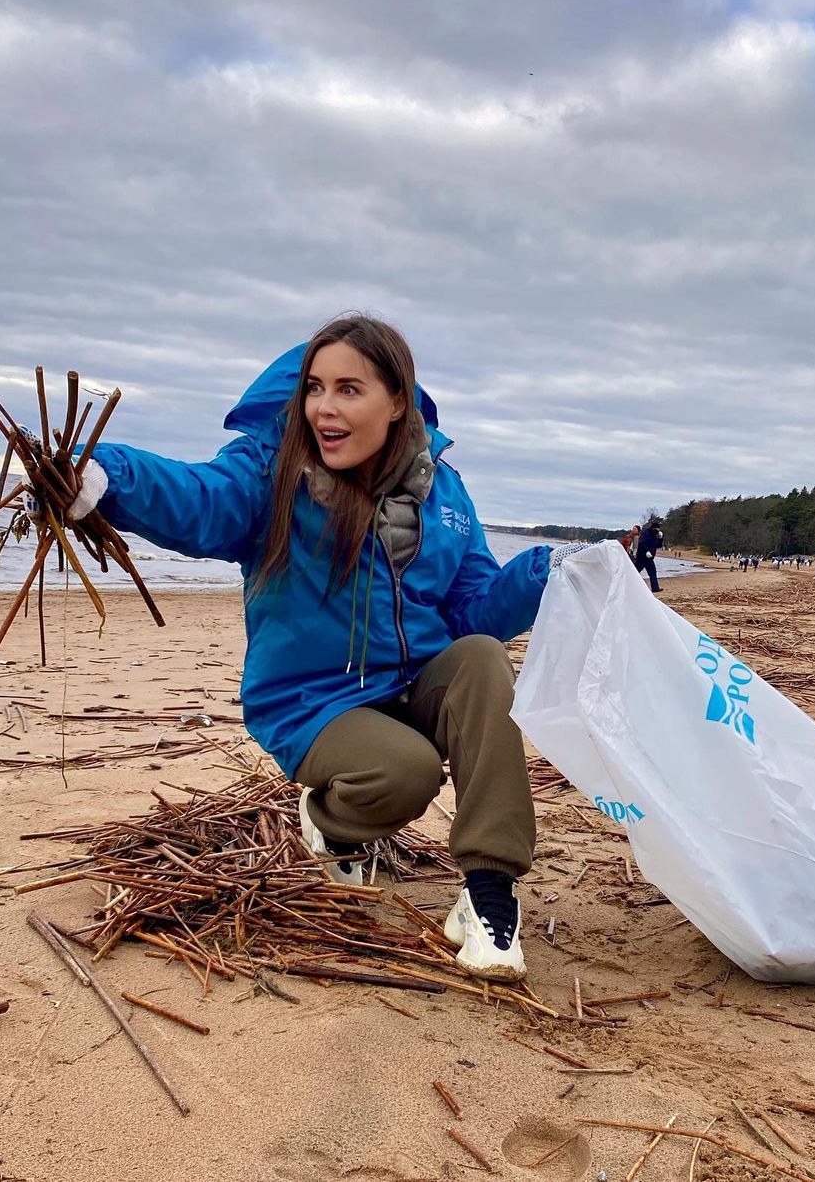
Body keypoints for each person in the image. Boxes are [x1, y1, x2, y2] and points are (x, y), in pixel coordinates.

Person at [61, 314, 551, 982]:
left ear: (397, 401)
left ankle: (490, 897)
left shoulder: (444, 492)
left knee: (483, 662)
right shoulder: (271, 471)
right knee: (405, 772)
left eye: (350, 389)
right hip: (316, 700)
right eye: (315, 388)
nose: (325, 407)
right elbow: (200, 499)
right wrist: (107, 476)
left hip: (411, 681)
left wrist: (545, 574)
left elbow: (474, 613)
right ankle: (332, 823)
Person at [635, 517, 664, 592]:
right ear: (654, 528)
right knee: (635, 571)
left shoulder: (655, 535)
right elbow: (641, 544)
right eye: (657, 529)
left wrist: (661, 538)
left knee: (652, 572)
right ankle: (628, 584)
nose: (658, 531)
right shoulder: (645, 533)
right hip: (641, 557)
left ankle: (655, 588)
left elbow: (658, 545)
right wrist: (646, 551)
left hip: (649, 558)